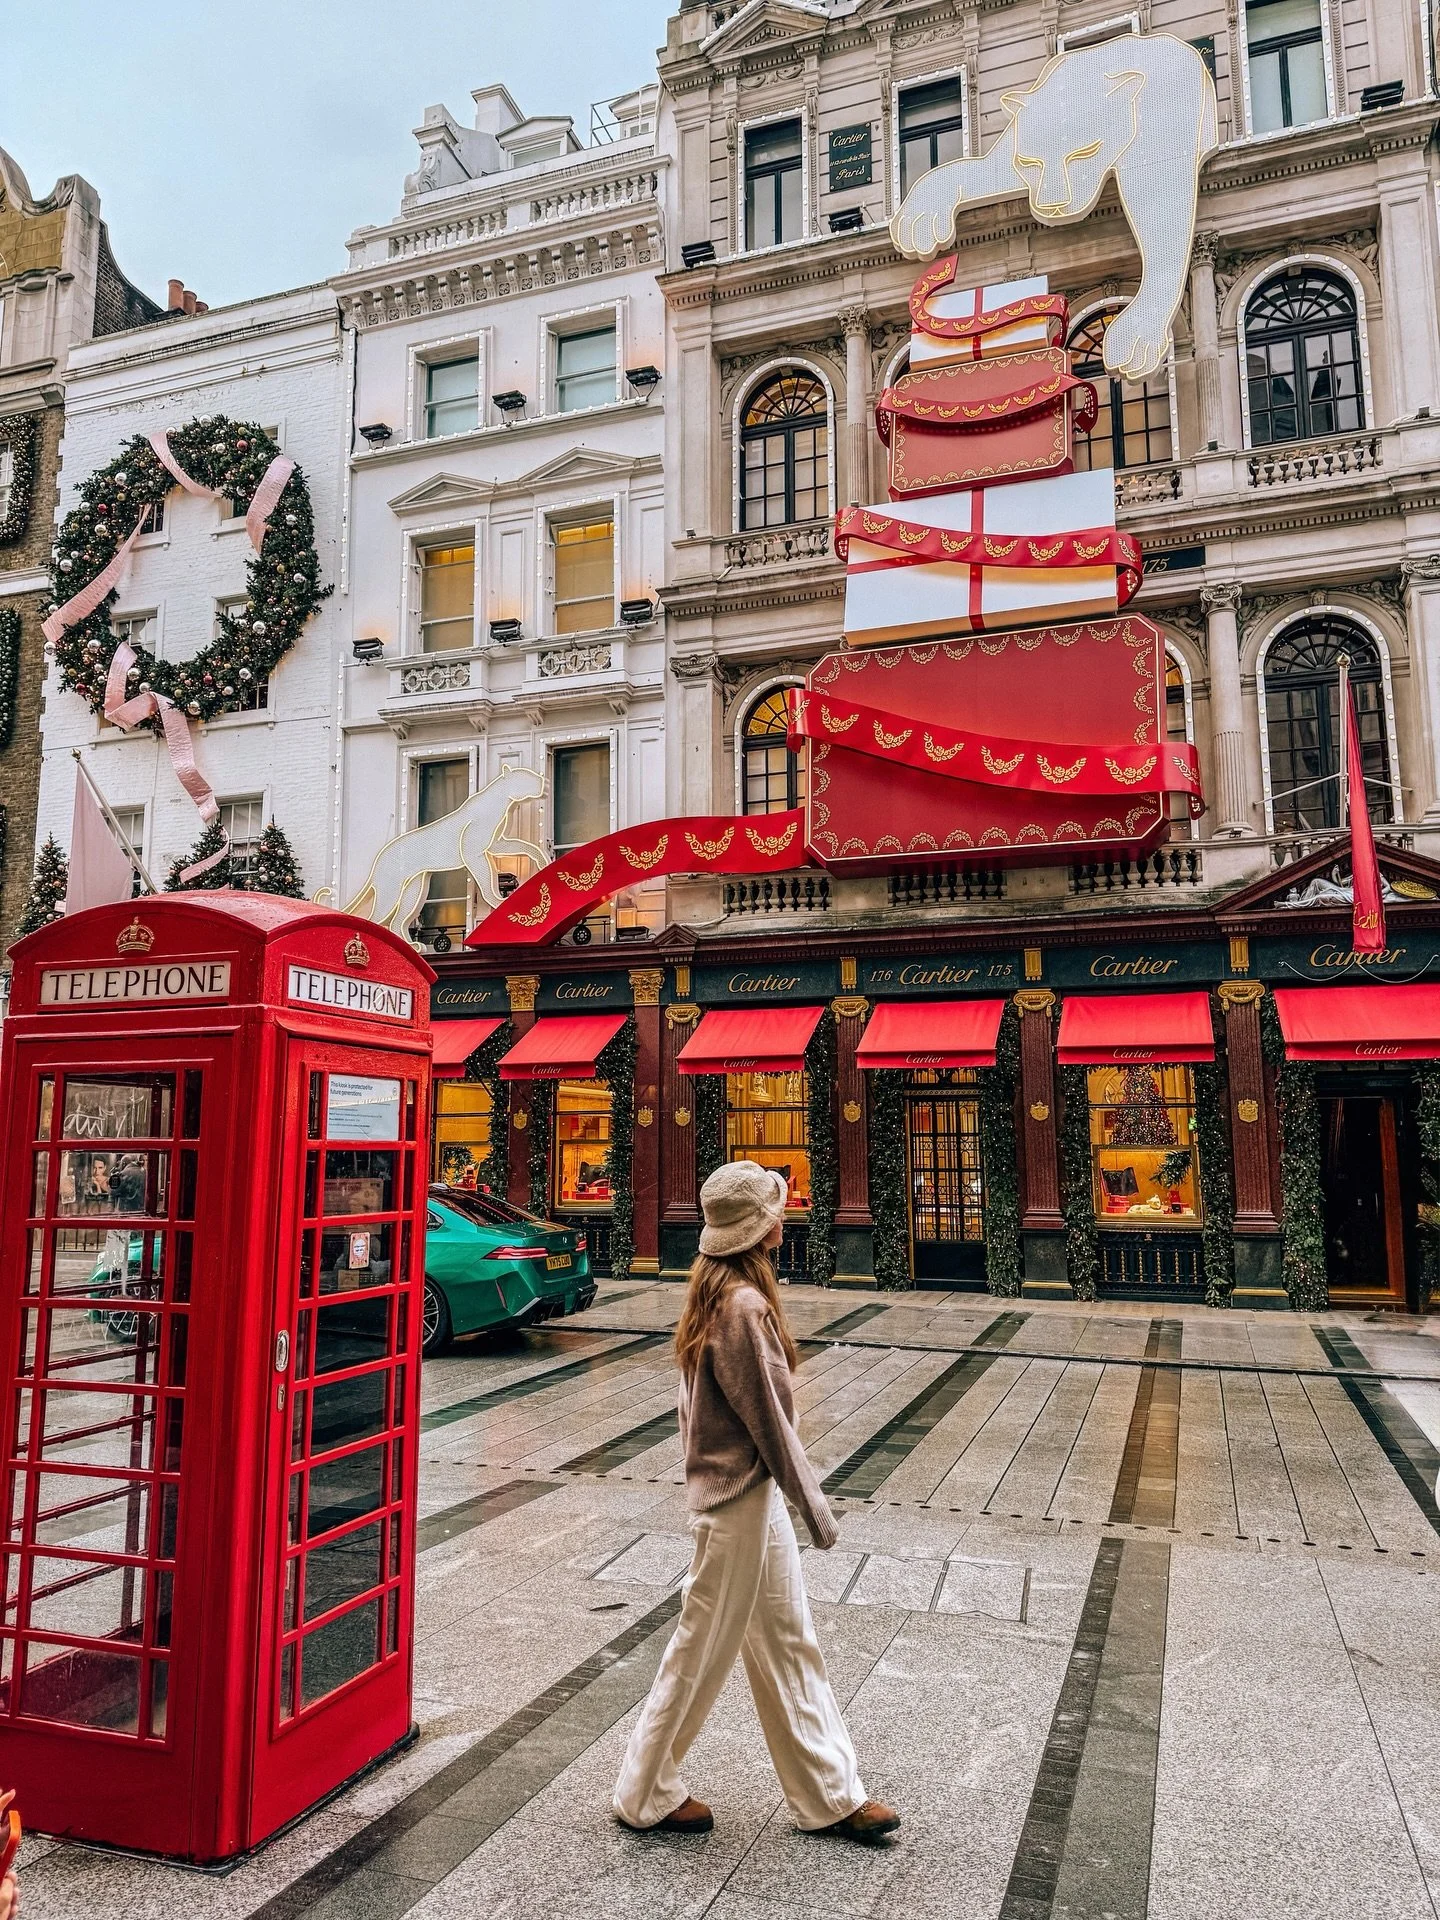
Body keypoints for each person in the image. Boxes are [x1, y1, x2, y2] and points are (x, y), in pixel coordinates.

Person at [613, 1160, 899, 1843]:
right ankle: (643, 1790)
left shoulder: (715, 1294)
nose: (786, 1215)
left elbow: (693, 1414)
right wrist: (817, 1511)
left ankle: (829, 1794)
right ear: (758, 1229)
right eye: (778, 1207)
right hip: (740, 1501)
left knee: (786, 1641)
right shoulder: (743, 1308)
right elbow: (773, 1424)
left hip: (741, 1496)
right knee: (700, 1647)